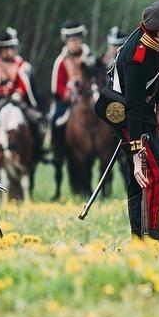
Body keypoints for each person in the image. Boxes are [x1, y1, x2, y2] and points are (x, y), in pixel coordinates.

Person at [112, 0, 159, 242]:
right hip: (127, 115)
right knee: (155, 176)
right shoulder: (137, 57)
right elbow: (132, 107)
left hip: (144, 111)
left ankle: (140, 240)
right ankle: (151, 241)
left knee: (142, 182)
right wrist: (135, 155)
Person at [49, 21, 97, 200]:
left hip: (89, 97)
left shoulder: (89, 57)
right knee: (56, 120)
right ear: (67, 41)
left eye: (77, 40)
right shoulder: (60, 61)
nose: (74, 43)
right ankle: (57, 150)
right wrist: (67, 95)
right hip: (67, 101)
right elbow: (57, 86)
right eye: (71, 40)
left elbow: (97, 76)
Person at [0, 27, 45, 165]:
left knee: (36, 120)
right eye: (11, 48)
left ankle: (37, 150)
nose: (14, 50)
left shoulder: (22, 65)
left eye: (14, 47)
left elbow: (23, 84)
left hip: (17, 101)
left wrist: (18, 93)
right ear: (2, 49)